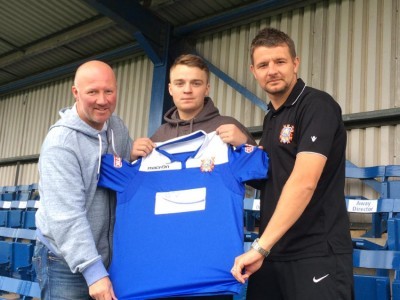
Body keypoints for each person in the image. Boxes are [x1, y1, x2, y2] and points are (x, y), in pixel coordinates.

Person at [231, 27, 353, 299]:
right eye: (263, 64)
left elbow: (303, 183)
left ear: (295, 63)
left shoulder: (317, 105)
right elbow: (274, 177)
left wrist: (260, 247)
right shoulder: (272, 117)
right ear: (253, 71)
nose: (271, 70)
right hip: (274, 253)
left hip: (315, 253)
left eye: (280, 61)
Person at [33, 60, 133, 300]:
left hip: (107, 257)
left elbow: (125, 174)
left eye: (108, 91)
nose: (102, 100)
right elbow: (66, 216)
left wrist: (135, 153)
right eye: (92, 92)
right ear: (75, 93)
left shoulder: (116, 127)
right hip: (64, 262)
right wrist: (94, 271)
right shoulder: (61, 144)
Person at [131, 53, 256, 162]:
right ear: (170, 89)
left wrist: (245, 144)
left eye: (196, 83)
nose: (187, 90)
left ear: (207, 89)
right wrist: (132, 158)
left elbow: (260, 179)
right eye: (180, 83)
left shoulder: (230, 127)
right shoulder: (158, 136)